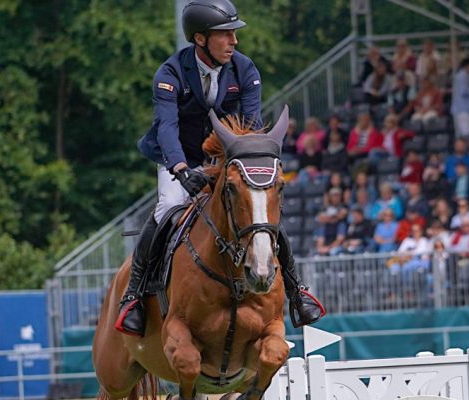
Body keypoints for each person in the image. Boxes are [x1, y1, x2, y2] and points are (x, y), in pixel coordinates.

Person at [123, 0, 322, 336]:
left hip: (228, 156)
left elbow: (251, 124)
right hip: (178, 156)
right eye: (226, 34)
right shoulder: (170, 74)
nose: (234, 41)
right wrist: (182, 169)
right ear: (200, 39)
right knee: (168, 207)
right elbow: (167, 128)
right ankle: (135, 296)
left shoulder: (245, 70)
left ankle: (296, 291)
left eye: (234, 34)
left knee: (259, 210)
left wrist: (241, 165)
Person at [451, 58, 469, 138]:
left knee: (460, 134)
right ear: (468, 66)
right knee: (466, 133)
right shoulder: (464, 76)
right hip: (463, 109)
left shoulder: (460, 75)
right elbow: (463, 91)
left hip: (459, 109)